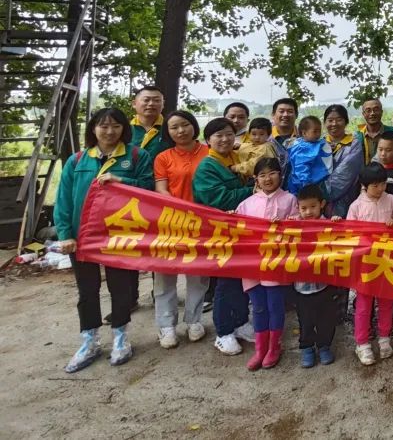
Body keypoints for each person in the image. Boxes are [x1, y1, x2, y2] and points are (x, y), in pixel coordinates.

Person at [55, 108, 154, 373]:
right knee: (87, 290)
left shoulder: (136, 155)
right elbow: (64, 200)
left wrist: (121, 179)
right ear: (93, 128)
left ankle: (121, 336)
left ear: (124, 129)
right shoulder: (77, 160)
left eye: (116, 126)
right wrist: (65, 234)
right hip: (83, 236)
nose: (110, 132)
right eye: (103, 126)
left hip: (121, 235)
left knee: (120, 288)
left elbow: (149, 189)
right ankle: (90, 340)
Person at [192, 117, 254, 356]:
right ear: (208, 140)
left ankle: (240, 322)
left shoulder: (236, 159)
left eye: (229, 134)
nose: (225, 139)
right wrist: (252, 191)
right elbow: (219, 199)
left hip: (242, 230)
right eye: (218, 135)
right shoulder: (207, 166)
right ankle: (223, 331)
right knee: (225, 282)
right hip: (220, 231)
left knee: (242, 278)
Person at [152, 110, 210, 348]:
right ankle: (166, 326)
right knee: (165, 276)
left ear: (194, 125)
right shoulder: (163, 157)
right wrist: (182, 208)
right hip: (171, 223)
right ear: (168, 132)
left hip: (203, 223)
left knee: (198, 275)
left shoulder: (210, 152)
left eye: (185, 124)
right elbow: (161, 189)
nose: (180, 130)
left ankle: (194, 321)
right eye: (174, 127)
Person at [235, 158, 299, 371]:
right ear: (256, 179)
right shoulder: (247, 204)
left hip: (276, 263)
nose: (267, 178)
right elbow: (236, 229)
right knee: (258, 306)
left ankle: (274, 347)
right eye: (262, 175)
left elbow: (299, 228)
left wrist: (286, 225)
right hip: (252, 264)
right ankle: (260, 349)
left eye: (272, 173)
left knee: (275, 305)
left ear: (280, 175)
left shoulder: (290, 200)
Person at [347, 164, 393, 365]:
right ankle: (362, 343)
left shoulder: (392, 200)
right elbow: (349, 234)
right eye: (375, 185)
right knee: (364, 304)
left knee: (386, 302)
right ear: (364, 186)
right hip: (366, 264)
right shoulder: (356, 206)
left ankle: (384, 338)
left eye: (383, 184)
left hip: (387, 261)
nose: (380, 189)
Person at [294, 184, 338, 368]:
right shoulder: (293, 226)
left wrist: (337, 223)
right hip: (301, 287)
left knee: (326, 319)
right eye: (303, 208)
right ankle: (307, 348)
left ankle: (324, 346)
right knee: (305, 320)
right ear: (298, 208)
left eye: (313, 206)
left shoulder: (329, 225)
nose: (308, 212)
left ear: (322, 204)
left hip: (324, 284)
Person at [286, 116, 332, 195]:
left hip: (314, 183)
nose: (318, 134)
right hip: (305, 185)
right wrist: (306, 185)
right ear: (304, 133)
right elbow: (301, 167)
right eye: (315, 131)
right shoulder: (302, 148)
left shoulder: (311, 143)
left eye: (319, 131)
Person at [130, 85, 167, 162]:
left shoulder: (170, 128)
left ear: (163, 104)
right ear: (134, 104)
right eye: (146, 100)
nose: (151, 104)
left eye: (157, 100)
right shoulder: (125, 129)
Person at [358, 97, 393, 164]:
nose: (372, 113)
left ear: (381, 112)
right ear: (363, 114)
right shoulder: (357, 137)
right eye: (368, 110)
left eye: (376, 109)